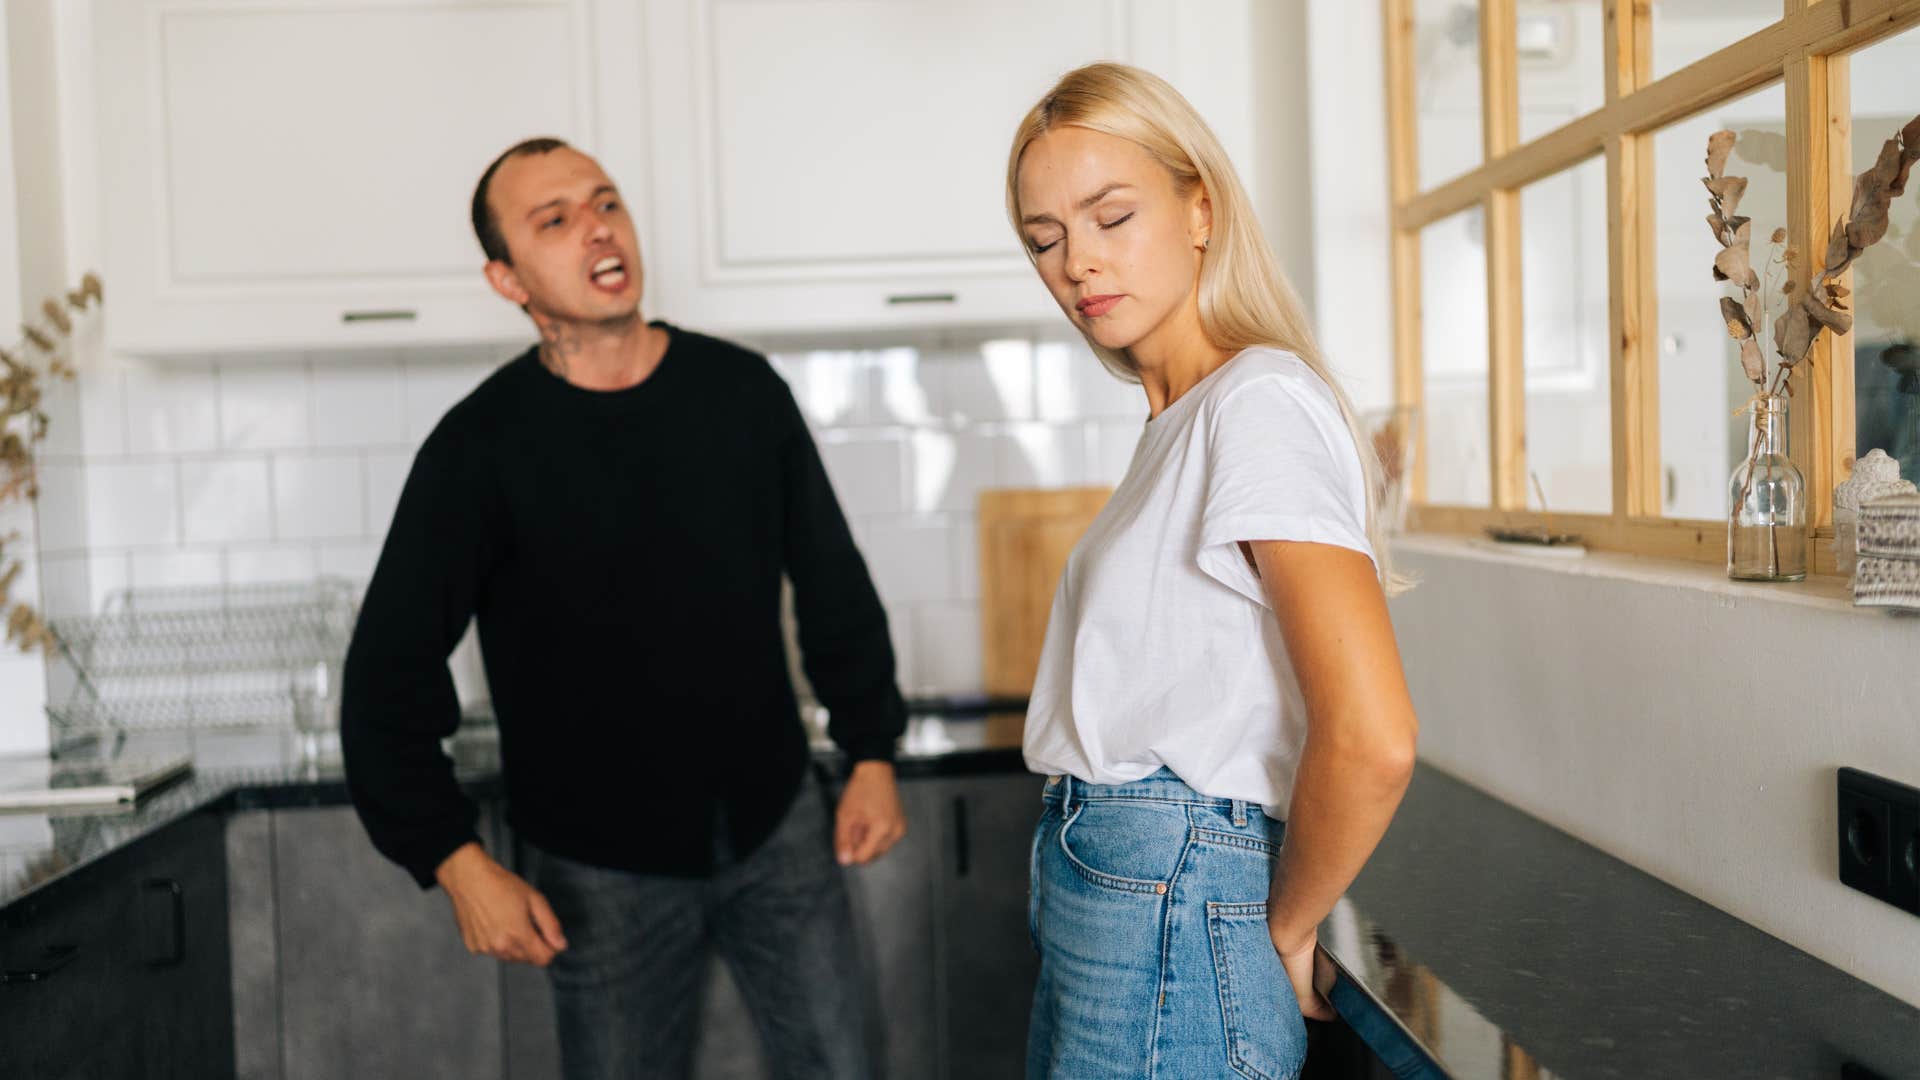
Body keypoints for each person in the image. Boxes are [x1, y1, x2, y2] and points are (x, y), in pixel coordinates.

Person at [340, 136, 907, 1080]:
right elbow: (385, 678)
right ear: (507, 279)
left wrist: (873, 752)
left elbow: (833, 583)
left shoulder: (743, 394)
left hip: (778, 829)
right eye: (554, 220)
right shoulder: (477, 450)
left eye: (606, 203)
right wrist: (453, 859)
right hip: (598, 869)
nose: (597, 228)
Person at [1006, 64, 1421, 1078]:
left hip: (1174, 884)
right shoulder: (1182, 420)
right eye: (1045, 238)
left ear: (1201, 208)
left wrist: (1288, 924)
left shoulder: (1255, 402)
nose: (1077, 262)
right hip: (1122, 881)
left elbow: (1373, 737)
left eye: (1111, 216)